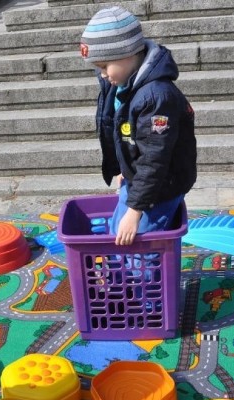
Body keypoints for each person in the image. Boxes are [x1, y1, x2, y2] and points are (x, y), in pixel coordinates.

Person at [80, 6, 196, 246]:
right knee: (117, 232)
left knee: (138, 245)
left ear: (128, 53)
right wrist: (125, 167)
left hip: (162, 186)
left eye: (104, 66)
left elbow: (155, 159)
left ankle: (142, 281)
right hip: (140, 180)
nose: (102, 74)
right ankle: (126, 274)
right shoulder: (123, 84)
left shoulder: (156, 98)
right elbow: (127, 134)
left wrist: (135, 212)